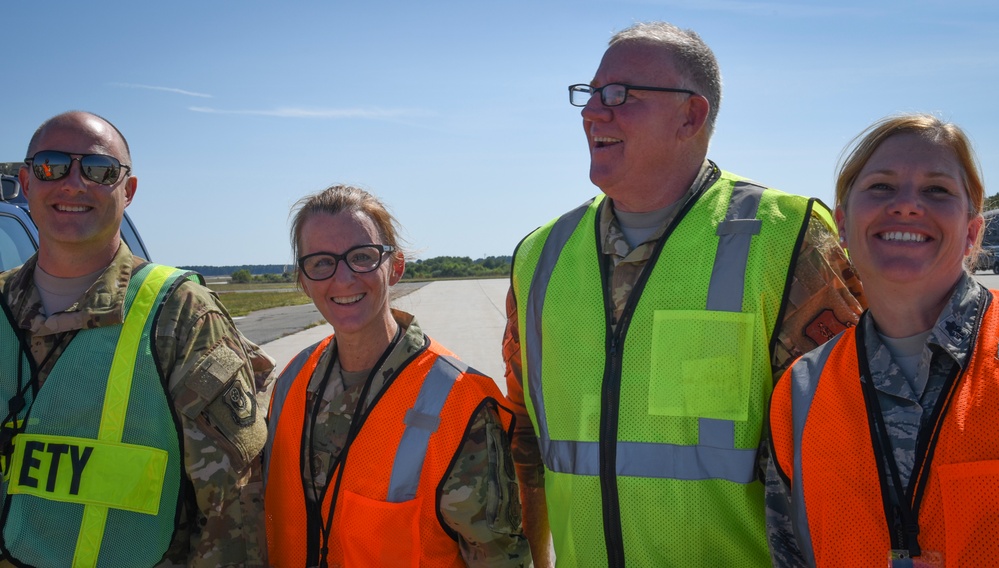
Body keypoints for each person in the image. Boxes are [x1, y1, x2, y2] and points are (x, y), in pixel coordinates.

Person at [503, 21, 866, 567]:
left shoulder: (786, 236)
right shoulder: (540, 256)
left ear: (691, 116)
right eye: (591, 94)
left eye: (619, 95)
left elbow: (848, 448)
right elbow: (524, 437)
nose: (592, 112)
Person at [0, 111, 273, 566]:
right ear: (27, 183)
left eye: (98, 169)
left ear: (128, 191)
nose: (73, 183)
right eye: (52, 165)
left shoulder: (179, 312)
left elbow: (229, 507)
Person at [766, 114, 998, 567]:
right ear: (843, 229)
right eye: (881, 187)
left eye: (937, 190)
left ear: (972, 232)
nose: (908, 205)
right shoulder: (799, 394)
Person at [263, 184, 532, 567]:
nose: (343, 279)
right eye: (321, 262)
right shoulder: (291, 382)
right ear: (303, 280)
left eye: (362, 257)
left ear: (396, 267)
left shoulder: (458, 401)